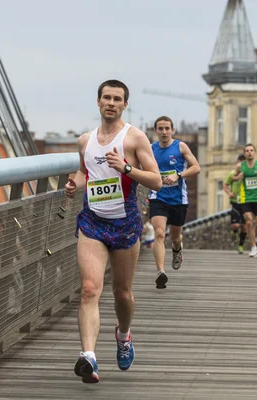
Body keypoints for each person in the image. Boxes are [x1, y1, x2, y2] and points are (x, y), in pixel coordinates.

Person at [64, 79, 162, 383]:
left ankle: (123, 334)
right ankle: (89, 358)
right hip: (92, 222)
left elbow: (157, 180)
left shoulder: (134, 138)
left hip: (125, 223)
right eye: (106, 97)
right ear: (98, 102)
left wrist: (126, 169)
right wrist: (73, 185)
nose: (111, 103)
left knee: (122, 293)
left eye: (117, 99)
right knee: (90, 289)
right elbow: (85, 171)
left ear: (124, 104)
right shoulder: (85, 140)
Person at [149, 116, 200, 289]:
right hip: (158, 197)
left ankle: (177, 250)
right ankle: (161, 272)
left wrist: (178, 175)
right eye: (160, 129)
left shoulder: (180, 146)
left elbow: (196, 167)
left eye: (167, 128)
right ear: (155, 131)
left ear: (172, 130)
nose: (164, 132)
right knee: (159, 233)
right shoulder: (150, 149)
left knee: (175, 236)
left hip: (179, 199)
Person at [231, 144, 257, 258]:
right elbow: (233, 177)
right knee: (248, 221)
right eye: (247, 151)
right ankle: (253, 247)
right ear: (244, 153)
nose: (249, 152)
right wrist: (238, 178)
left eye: (251, 150)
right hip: (245, 197)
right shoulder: (240, 166)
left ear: (254, 152)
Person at [223, 154, 247, 254]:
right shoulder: (233, 173)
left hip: (246, 202)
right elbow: (225, 185)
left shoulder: (248, 174)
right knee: (236, 225)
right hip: (235, 203)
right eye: (239, 163)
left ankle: (241, 245)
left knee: (245, 226)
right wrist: (229, 193)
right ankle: (234, 232)